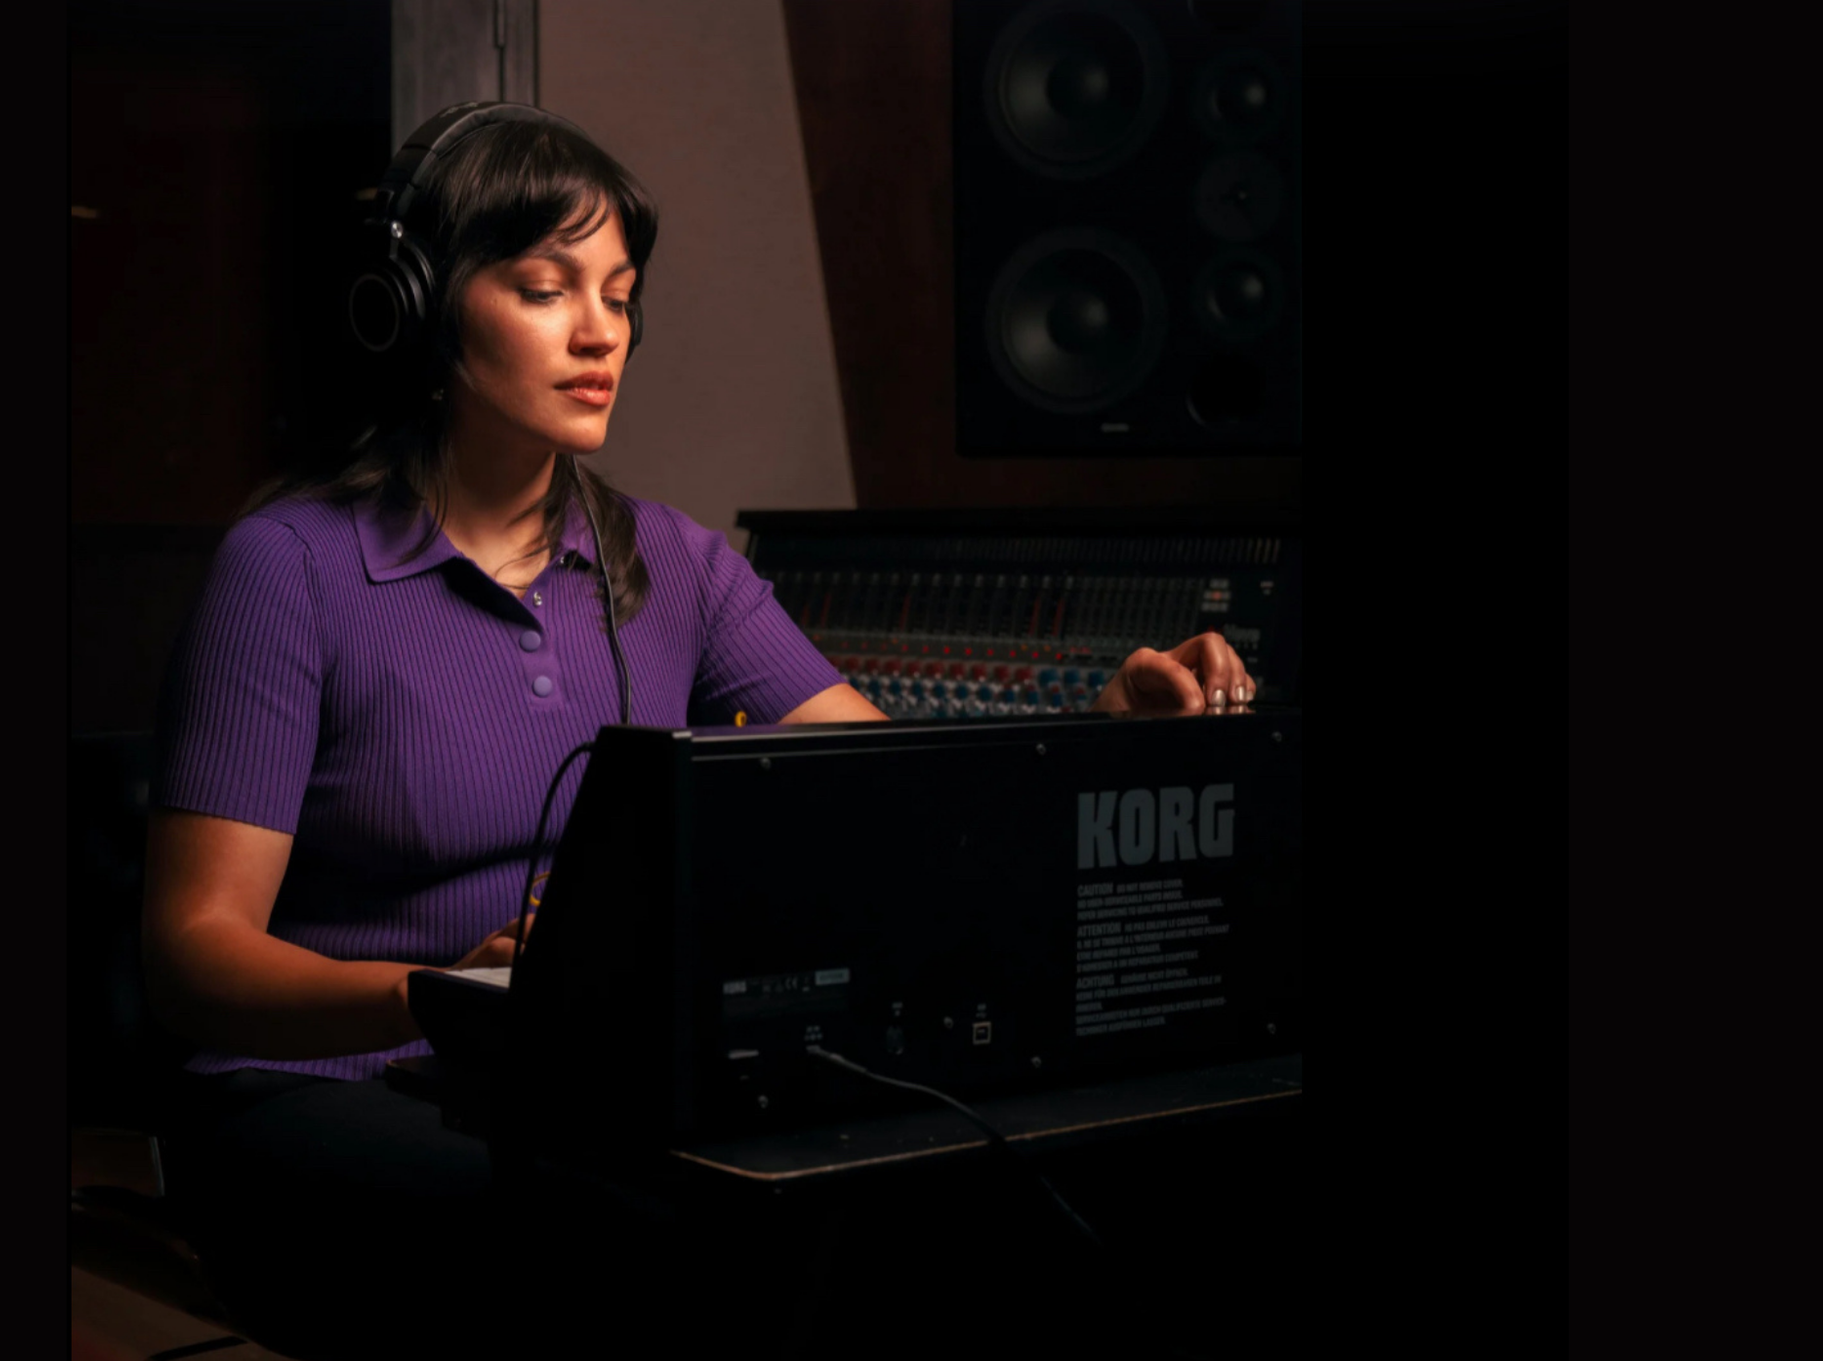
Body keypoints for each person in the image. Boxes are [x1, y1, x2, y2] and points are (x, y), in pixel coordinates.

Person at [139, 106, 1258, 1358]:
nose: (600, 331)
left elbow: (897, 796)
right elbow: (192, 957)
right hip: (319, 1090)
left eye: (620, 295)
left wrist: (1102, 726)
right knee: (642, 1238)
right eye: (545, 288)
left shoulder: (678, 564)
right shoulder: (288, 568)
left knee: (900, 1210)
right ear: (422, 308)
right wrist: (451, 994)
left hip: (579, 1086)